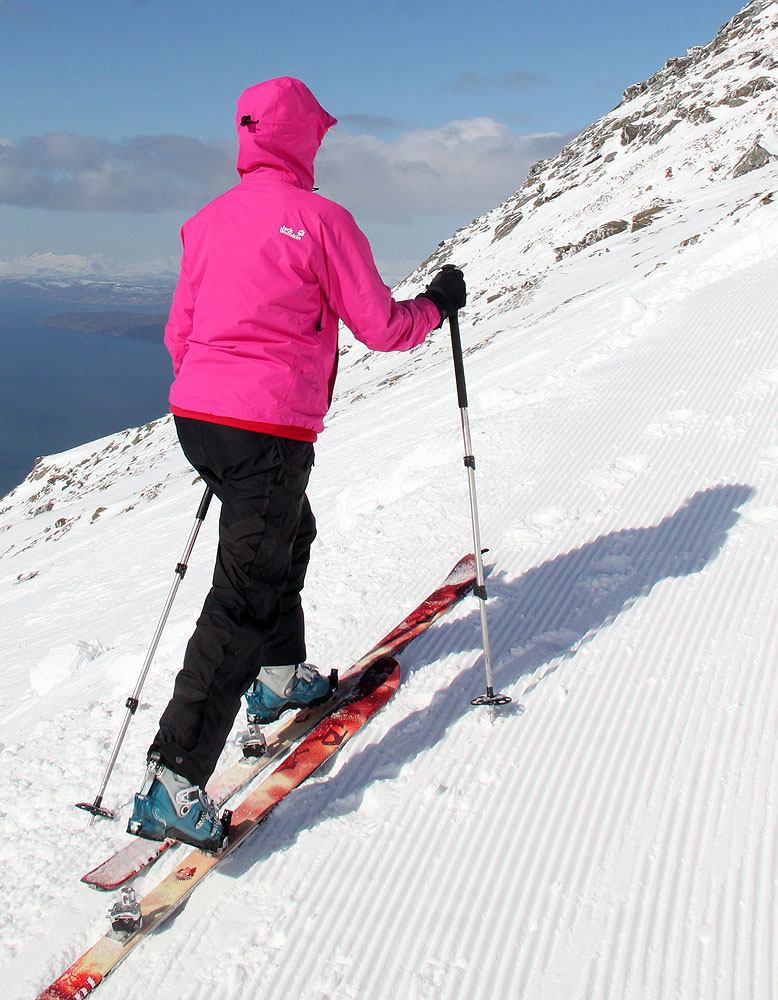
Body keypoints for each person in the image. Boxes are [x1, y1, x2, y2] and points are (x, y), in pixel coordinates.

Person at [127, 77, 466, 852]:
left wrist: (212, 402)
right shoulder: (321, 219)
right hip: (268, 427)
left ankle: (279, 678)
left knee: (288, 534)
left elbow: (181, 332)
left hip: (203, 418)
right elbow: (381, 326)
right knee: (241, 597)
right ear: (303, 138)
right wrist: (439, 304)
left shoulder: (205, 222)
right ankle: (175, 780)